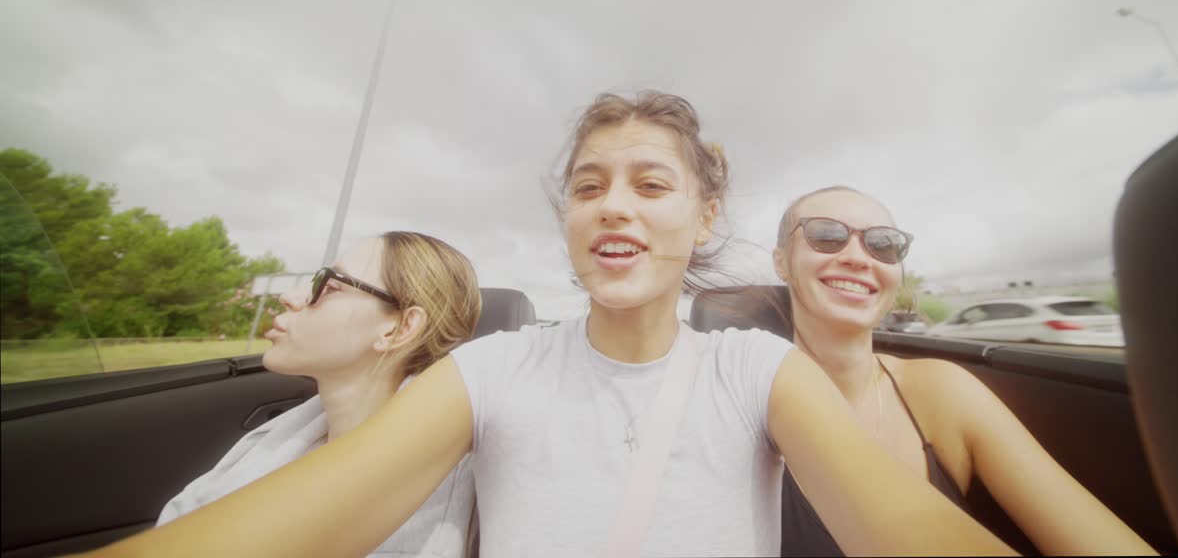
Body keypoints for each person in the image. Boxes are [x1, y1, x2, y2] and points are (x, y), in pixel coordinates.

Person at [86, 92, 1013, 558]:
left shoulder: (758, 372)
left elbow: (907, 530)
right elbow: (284, 526)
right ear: (566, 219)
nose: (615, 207)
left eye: (652, 186)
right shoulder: (492, 372)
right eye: (587, 187)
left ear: (704, 220)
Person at [771, 185, 1157, 555]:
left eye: (883, 244)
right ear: (781, 262)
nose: (858, 257)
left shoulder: (942, 390)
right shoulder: (743, 401)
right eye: (825, 235)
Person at [157, 231, 482, 558]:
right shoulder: (276, 436)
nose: (290, 297)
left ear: (399, 329)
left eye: (330, 286)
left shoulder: (428, 506)